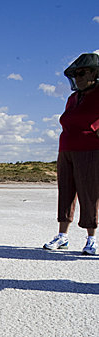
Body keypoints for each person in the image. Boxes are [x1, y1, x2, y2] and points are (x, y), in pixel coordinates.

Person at [43, 53, 99, 256]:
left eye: (82, 73)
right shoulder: (72, 99)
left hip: (89, 150)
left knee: (89, 193)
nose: (78, 78)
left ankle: (91, 238)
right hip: (66, 149)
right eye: (75, 74)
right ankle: (62, 236)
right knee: (65, 192)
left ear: (93, 73)